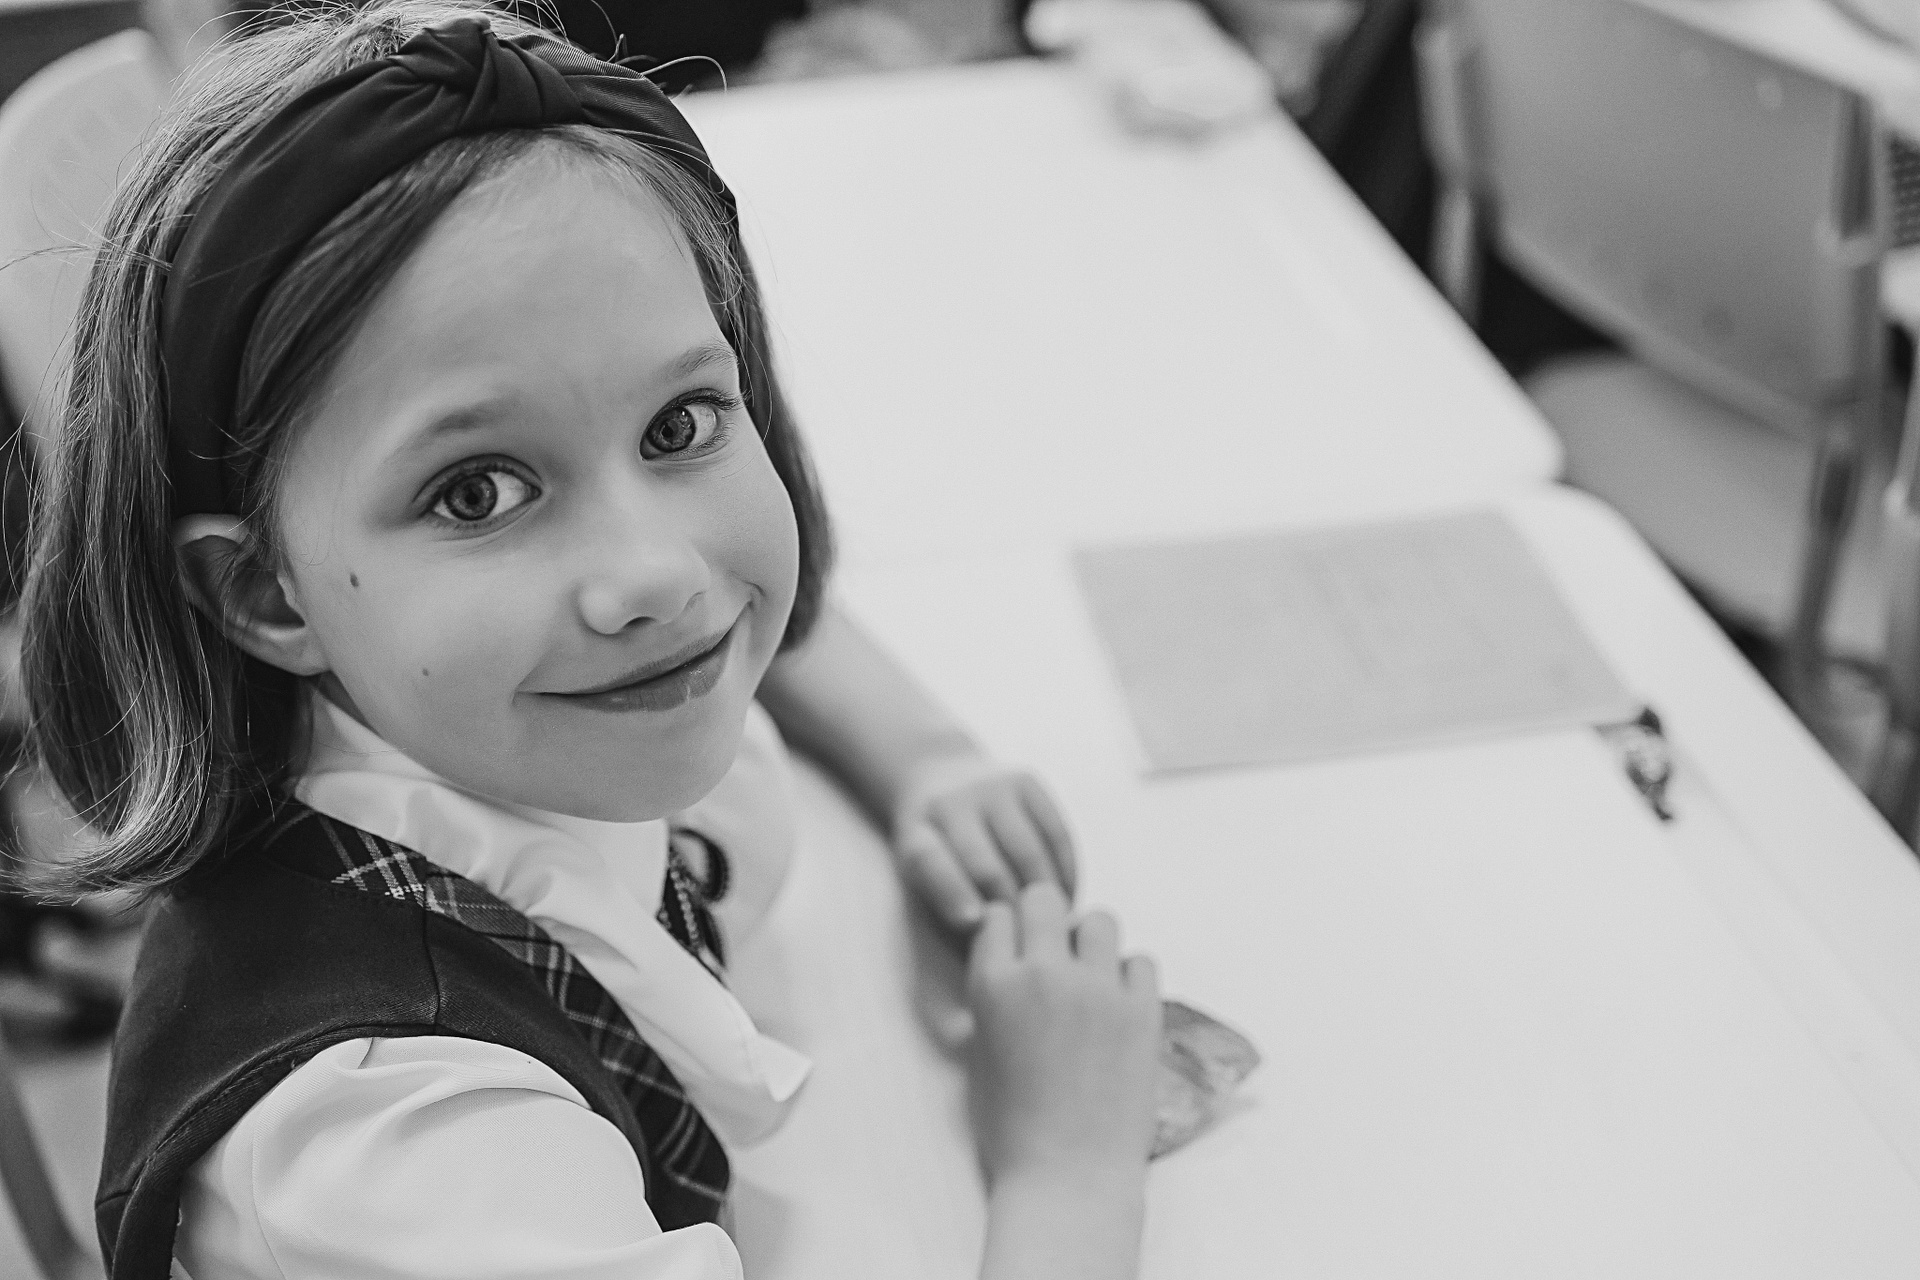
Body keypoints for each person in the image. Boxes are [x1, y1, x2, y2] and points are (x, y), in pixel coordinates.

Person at [17, 4, 1165, 1277]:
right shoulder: (409, 1139)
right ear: (266, 594)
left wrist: (925, 756)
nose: (655, 574)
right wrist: (1069, 1165)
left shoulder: (528, 708)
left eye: (679, 424)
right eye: (478, 492)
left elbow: (758, 591)